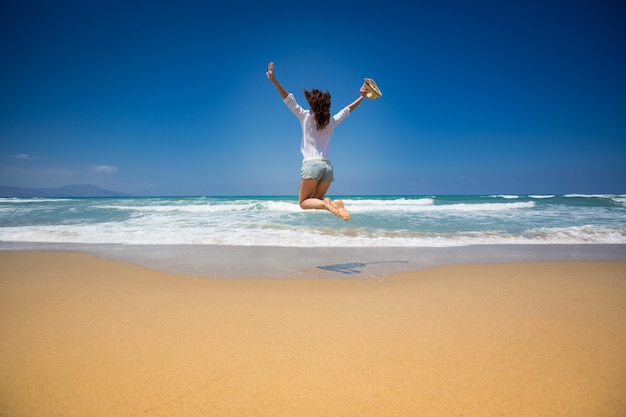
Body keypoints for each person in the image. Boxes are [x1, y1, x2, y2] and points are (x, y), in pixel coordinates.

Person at [266, 62, 368, 220]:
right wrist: (361, 97)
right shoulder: (332, 121)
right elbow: (347, 110)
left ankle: (329, 204)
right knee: (315, 201)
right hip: (327, 168)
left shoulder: (305, 116)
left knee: (303, 202)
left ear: (311, 105)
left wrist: (274, 81)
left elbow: (288, 99)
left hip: (311, 164)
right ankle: (333, 205)